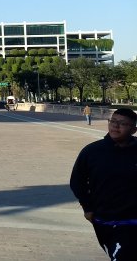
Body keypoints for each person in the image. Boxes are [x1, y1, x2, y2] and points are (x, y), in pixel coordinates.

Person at [70, 108, 137, 260]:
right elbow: (77, 181)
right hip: (105, 218)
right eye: (113, 121)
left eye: (122, 124)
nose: (115, 126)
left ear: (134, 130)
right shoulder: (92, 151)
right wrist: (87, 207)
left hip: (133, 219)